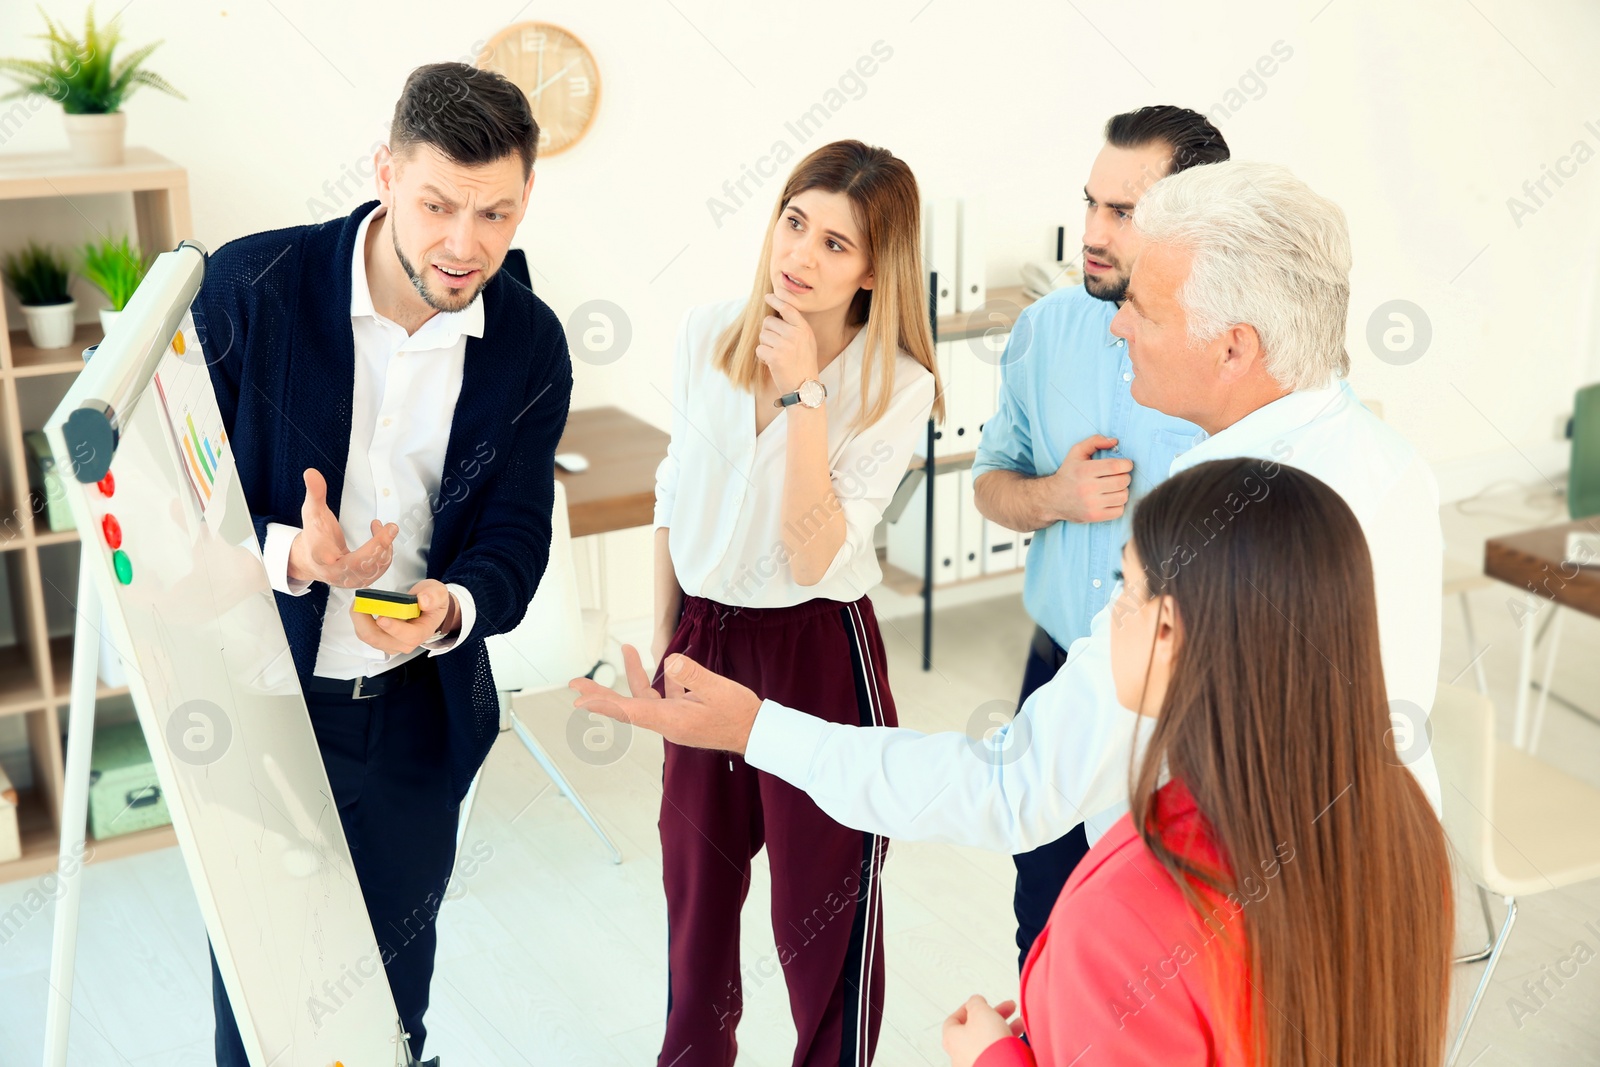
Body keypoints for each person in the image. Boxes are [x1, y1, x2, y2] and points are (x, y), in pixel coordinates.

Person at [570, 160, 1444, 895]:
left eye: (1145, 308)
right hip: (1372, 900)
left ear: (1234, 348)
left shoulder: (1221, 526)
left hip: (1237, 928)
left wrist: (756, 728)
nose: (1118, 323)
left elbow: (1018, 784)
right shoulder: (1388, 460)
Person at [194, 62, 572, 1065]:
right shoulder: (248, 288)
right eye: (438, 203)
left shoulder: (527, 344)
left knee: (388, 1015)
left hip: (412, 719)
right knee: (267, 1013)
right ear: (385, 173)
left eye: (495, 213)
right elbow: (168, 512)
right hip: (261, 709)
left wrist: (445, 604)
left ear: (526, 199)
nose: (464, 242)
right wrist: (287, 555)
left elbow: (515, 538)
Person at [940, 458, 1454, 1067]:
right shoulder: (1406, 816)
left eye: (1125, 585)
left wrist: (994, 1057)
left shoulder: (1126, 917)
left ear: (1168, 631)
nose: (1110, 620)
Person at [646, 139, 939, 1067]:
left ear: (874, 269)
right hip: (702, 636)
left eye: (837, 244)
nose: (801, 256)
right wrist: (665, 638)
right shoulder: (706, 333)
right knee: (697, 897)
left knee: (823, 912)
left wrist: (806, 392)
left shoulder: (899, 386)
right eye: (795, 221)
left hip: (817, 651)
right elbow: (671, 496)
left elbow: (817, 551)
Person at [971, 105, 1225, 972]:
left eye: (1123, 213)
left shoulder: (1234, 358)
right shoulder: (1046, 332)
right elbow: (990, 485)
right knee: (1040, 924)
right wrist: (1053, 495)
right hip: (1056, 674)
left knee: (1159, 955)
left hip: (1185, 702)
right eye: (1091, 203)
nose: (1091, 232)